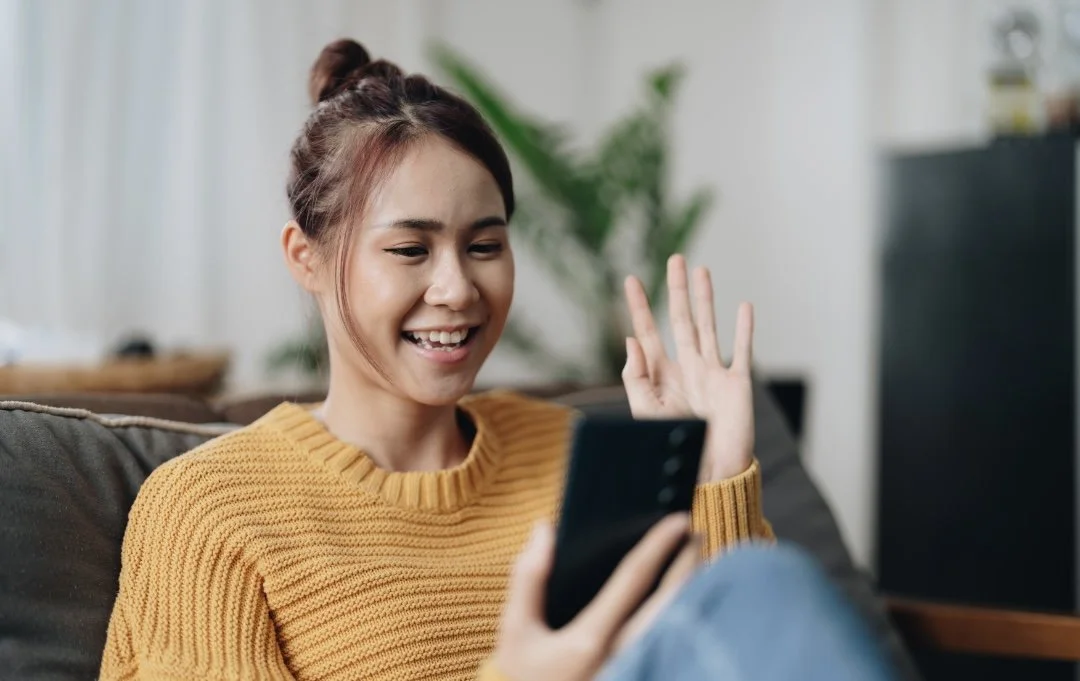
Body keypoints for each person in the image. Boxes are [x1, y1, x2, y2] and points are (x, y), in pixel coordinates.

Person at [99, 39, 893, 681]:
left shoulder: (570, 454)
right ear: (306, 257)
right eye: (410, 249)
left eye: (484, 246)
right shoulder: (210, 510)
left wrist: (716, 480)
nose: (457, 289)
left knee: (765, 580)